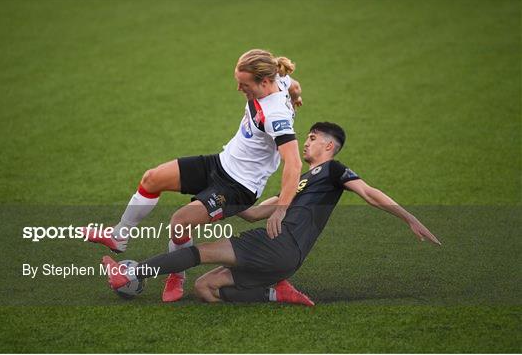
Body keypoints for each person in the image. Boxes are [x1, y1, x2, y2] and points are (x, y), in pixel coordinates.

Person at [102, 122, 441, 306]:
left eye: (311, 138)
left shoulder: (334, 170)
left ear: (328, 146)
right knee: (205, 289)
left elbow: (370, 193)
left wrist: (409, 217)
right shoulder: (298, 182)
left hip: (276, 245)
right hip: (281, 254)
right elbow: (254, 213)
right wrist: (213, 196)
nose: (304, 143)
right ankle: (274, 292)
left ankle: (131, 274)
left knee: (196, 254)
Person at [85, 49, 304, 302]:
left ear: (263, 82)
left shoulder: (276, 116)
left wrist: (281, 209)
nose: (239, 89)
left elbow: (294, 164)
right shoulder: (279, 79)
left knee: (180, 221)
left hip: (238, 188)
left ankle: (177, 274)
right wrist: (296, 97)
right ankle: (119, 235)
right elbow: (294, 85)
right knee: (151, 179)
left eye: (244, 85)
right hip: (220, 163)